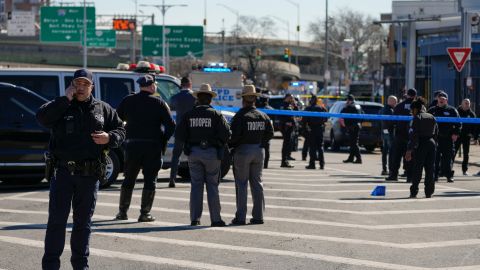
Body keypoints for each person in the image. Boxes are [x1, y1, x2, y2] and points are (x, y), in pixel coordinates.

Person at [36, 69, 126, 270]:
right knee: (57, 223)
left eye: (85, 84)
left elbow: (121, 130)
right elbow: (42, 118)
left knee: (83, 224)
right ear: (72, 85)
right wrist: (64, 99)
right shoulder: (61, 106)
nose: (81, 87)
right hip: (63, 174)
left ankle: (80, 266)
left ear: (92, 86)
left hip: (89, 175)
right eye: (78, 83)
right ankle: (50, 266)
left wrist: (110, 138)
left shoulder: (102, 109)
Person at [115, 74, 175, 222]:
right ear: (151, 86)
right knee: (150, 180)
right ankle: (144, 213)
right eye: (154, 84)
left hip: (132, 146)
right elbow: (171, 125)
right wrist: (163, 139)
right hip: (152, 146)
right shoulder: (159, 103)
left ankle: (122, 212)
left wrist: (124, 139)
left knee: (128, 179)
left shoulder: (128, 100)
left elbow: (116, 121)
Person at [175, 83, 230, 227]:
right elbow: (227, 134)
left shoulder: (189, 115)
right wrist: (217, 143)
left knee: (196, 186)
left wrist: (189, 141)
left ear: (197, 99)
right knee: (212, 186)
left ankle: (195, 218)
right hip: (212, 153)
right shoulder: (216, 115)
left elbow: (179, 134)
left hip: (193, 153)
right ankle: (216, 219)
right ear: (210, 99)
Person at [229, 85, 274, 225]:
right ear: (255, 99)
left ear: (243, 100)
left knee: (241, 184)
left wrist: (231, 146)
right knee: (257, 183)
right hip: (259, 151)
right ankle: (258, 216)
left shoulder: (240, 116)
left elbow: (234, 137)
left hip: (243, 151)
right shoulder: (263, 115)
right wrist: (261, 143)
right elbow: (270, 133)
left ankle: (241, 217)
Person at [405, 97, 438, 198]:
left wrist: (409, 150)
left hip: (421, 144)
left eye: (412, 110)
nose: (411, 112)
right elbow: (436, 132)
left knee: (417, 169)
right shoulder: (432, 116)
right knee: (430, 169)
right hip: (431, 143)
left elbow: (414, 136)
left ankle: (414, 191)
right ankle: (429, 192)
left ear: (415, 109)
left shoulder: (417, 118)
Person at [168, 77, 196, 187]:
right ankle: (194, 178)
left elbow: (172, 108)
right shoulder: (194, 97)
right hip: (192, 129)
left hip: (179, 129)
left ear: (181, 84)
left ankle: (172, 179)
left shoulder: (174, 98)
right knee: (193, 155)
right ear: (189, 84)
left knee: (176, 155)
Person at [428, 91, 460, 182]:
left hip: (448, 138)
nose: (441, 100)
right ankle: (435, 176)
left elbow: (458, 123)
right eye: (440, 98)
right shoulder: (432, 110)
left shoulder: (452, 110)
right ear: (437, 99)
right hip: (435, 138)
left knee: (448, 158)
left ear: (446, 100)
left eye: (443, 98)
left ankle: (449, 175)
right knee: (435, 158)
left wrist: (455, 133)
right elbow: (426, 121)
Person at [386, 88, 417, 182]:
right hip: (412, 135)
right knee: (410, 156)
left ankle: (394, 175)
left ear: (407, 95)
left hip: (400, 135)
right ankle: (410, 176)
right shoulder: (419, 106)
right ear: (415, 96)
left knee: (396, 156)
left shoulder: (399, 106)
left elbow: (393, 121)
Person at [303, 95, 328, 169]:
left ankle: (312, 164)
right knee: (320, 147)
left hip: (312, 129)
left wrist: (305, 130)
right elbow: (326, 118)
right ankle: (322, 164)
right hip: (320, 129)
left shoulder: (308, 108)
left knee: (312, 148)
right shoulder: (322, 108)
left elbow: (304, 121)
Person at [454, 98, 476, 176]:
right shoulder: (456, 112)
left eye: (468, 103)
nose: (467, 104)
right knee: (453, 152)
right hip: (458, 135)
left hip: (467, 136)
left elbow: (475, 125)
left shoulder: (471, 114)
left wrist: (473, 134)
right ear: (462, 104)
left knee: (466, 154)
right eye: (465, 103)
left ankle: (464, 170)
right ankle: (449, 168)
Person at [340, 94, 363, 164]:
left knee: (354, 143)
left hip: (352, 127)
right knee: (353, 143)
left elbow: (342, 113)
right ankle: (351, 158)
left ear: (349, 100)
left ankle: (359, 159)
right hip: (356, 126)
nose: (346, 101)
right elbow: (363, 114)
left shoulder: (350, 106)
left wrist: (345, 106)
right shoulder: (358, 106)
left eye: (347, 100)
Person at [379, 96, 398, 175]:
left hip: (384, 131)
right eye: (395, 102)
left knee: (384, 151)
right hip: (390, 132)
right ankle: (390, 170)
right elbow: (391, 121)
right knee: (391, 151)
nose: (396, 104)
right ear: (392, 102)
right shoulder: (390, 110)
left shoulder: (382, 109)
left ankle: (384, 169)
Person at [257, 92, 274, 169]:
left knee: (257, 148)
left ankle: (258, 164)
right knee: (267, 149)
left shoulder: (257, 109)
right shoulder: (270, 109)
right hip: (267, 131)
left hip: (258, 130)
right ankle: (265, 165)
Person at [279, 94, 296, 168]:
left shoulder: (290, 105)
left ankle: (286, 160)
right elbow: (281, 116)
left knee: (289, 144)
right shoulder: (283, 105)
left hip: (291, 127)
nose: (292, 99)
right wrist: (286, 122)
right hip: (286, 127)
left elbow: (296, 112)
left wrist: (294, 105)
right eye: (291, 97)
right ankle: (284, 161)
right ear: (287, 97)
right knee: (286, 144)